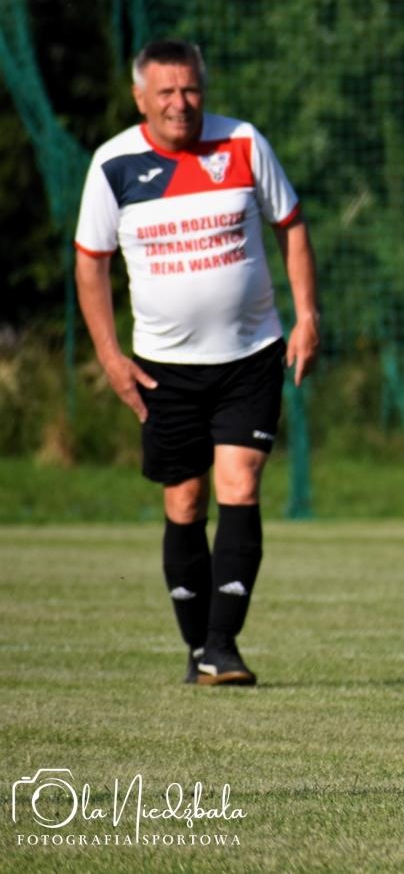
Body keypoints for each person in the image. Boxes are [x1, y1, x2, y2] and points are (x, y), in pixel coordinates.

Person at [75, 39, 320, 687]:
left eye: (190, 90)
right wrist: (109, 354)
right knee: (184, 500)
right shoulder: (113, 165)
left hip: (250, 354)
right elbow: (89, 264)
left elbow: (291, 225)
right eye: (166, 92)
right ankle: (197, 648)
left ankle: (221, 645)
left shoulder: (242, 142)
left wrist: (308, 316)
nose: (181, 103)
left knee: (239, 484)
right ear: (140, 99)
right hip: (163, 370)